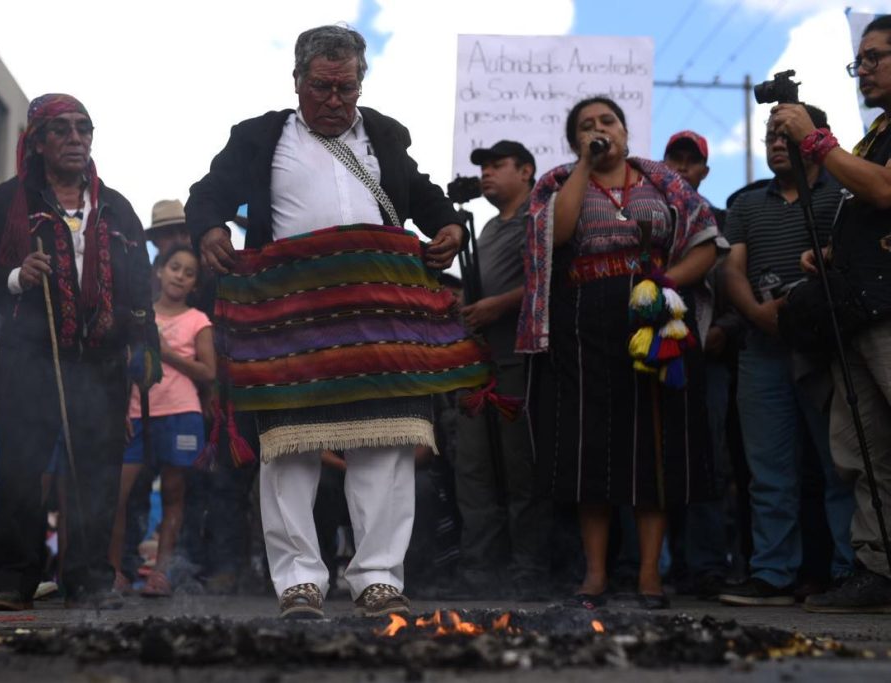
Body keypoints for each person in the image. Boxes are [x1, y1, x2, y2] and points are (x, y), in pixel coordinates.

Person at [187, 24, 465, 619]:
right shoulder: (261, 137)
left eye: (346, 89)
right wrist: (210, 227)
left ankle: (377, 578)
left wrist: (448, 224)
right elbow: (207, 193)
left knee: (387, 441)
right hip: (293, 316)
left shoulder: (386, 136)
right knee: (288, 448)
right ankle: (299, 583)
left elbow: (419, 192)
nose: (335, 102)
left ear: (361, 84)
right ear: (296, 82)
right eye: (321, 88)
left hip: (376, 315)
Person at [516, 96, 719, 610]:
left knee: (653, 448)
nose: (599, 129)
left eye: (607, 121)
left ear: (626, 132)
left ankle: (650, 576)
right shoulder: (558, 183)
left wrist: (663, 286)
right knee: (592, 452)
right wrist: (584, 165)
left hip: (654, 321)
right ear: (574, 141)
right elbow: (557, 236)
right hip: (581, 327)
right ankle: (595, 577)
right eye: (586, 126)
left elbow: (705, 242)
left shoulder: (663, 182)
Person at [0, 93, 158, 611]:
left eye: (84, 128)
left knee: (96, 470)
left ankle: (90, 577)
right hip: (30, 358)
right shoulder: (7, 203)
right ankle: (13, 576)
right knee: (23, 470)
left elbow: (141, 286)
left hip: (100, 363)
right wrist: (15, 275)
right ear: (38, 142)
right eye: (63, 130)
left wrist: (144, 348)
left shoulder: (117, 207)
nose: (76, 139)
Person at [769, 14, 891, 612]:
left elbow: (888, 191)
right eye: (860, 60)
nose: (863, 70)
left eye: (875, 58)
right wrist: (835, 251)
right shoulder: (877, 135)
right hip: (862, 308)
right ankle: (879, 569)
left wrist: (818, 143)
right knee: (863, 446)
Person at [717, 107, 855, 607]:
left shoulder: (840, 194)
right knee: (769, 472)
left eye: (785, 133)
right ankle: (772, 575)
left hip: (826, 350)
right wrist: (758, 312)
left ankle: (849, 573)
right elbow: (733, 268)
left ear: (811, 137)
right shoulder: (748, 204)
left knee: (841, 466)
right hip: (763, 352)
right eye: (770, 135)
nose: (776, 142)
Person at [454, 140, 550, 597]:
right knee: (475, 470)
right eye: (484, 167)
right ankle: (481, 571)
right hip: (480, 362)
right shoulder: (490, 228)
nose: (487, 174)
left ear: (526, 170)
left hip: (518, 359)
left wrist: (496, 306)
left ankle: (528, 568)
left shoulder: (539, 217)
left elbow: (544, 280)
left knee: (520, 469)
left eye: (497, 165)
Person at [663, 131, 744, 598]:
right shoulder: (644, 217)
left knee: (707, 460)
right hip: (649, 356)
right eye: (675, 158)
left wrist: (725, 330)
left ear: (704, 172)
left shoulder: (722, 220)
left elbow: (736, 286)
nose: (682, 167)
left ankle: (708, 566)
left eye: (691, 162)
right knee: (649, 459)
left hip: (706, 358)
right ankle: (648, 566)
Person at [109, 244, 214, 598]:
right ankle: (113, 571)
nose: (180, 276)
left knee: (173, 493)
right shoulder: (140, 318)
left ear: (195, 285)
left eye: (189, 273)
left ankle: (162, 572)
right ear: (159, 270)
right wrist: (122, 408)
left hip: (182, 413)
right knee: (118, 494)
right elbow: (123, 372)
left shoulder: (198, 320)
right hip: (139, 411)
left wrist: (166, 354)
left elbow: (208, 371)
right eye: (175, 268)